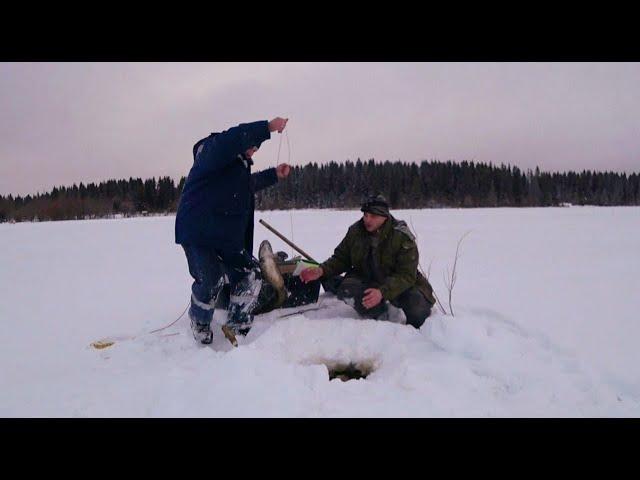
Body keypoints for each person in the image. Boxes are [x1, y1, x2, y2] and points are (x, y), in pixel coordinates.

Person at [175, 117, 291, 344]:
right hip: (198, 231)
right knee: (210, 279)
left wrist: (274, 175)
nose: (253, 151)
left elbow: (247, 186)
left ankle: (238, 324)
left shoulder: (236, 169)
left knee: (249, 273)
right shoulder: (211, 152)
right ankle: (199, 322)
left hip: (224, 235)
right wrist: (266, 127)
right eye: (251, 145)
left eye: (256, 149)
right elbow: (231, 140)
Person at [300, 194, 436, 329]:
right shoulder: (355, 231)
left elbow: (406, 275)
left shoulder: (402, 236)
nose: (367, 220)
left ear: (385, 216)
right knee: (347, 290)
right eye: (365, 215)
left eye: (373, 216)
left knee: (418, 310)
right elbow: (341, 258)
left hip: (398, 283)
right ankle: (382, 315)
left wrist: (382, 292)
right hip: (368, 279)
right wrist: (321, 270)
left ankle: (412, 334)